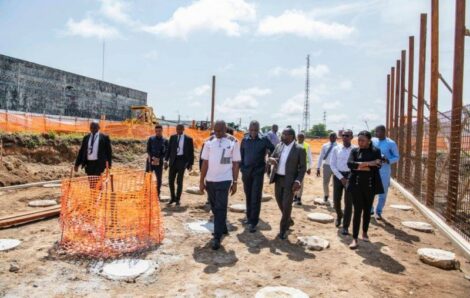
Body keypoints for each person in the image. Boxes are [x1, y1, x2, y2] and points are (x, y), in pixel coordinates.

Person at [199, 120, 241, 250]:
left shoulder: (233, 142)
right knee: (214, 207)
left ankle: (216, 237)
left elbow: (235, 164)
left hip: (225, 179)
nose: (217, 133)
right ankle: (222, 228)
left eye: (220, 131)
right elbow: (205, 162)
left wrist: (235, 182)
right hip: (210, 180)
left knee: (221, 207)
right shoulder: (209, 142)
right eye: (215, 130)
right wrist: (201, 181)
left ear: (225, 129)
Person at [347, 130, 384, 249]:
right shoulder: (354, 151)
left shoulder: (375, 151)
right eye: (359, 140)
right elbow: (350, 164)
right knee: (357, 211)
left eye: (363, 140)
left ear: (369, 141)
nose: (360, 142)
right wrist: (369, 164)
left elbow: (378, 165)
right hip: (356, 185)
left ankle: (365, 232)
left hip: (370, 185)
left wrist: (360, 165)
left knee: (367, 210)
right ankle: (355, 238)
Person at [268, 128, 306, 240]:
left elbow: (303, 168)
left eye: (284, 134)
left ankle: (283, 230)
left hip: (290, 182)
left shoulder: (299, 149)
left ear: (291, 136)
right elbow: (271, 157)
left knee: (287, 205)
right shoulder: (279, 146)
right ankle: (289, 220)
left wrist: (298, 181)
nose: (282, 136)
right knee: (280, 202)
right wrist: (271, 160)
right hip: (278, 179)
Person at [240, 120, 275, 233]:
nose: (253, 132)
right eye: (251, 130)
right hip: (246, 171)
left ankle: (253, 222)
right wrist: (242, 168)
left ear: (259, 130)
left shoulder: (264, 140)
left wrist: (269, 161)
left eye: (255, 130)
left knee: (256, 196)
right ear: (249, 129)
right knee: (248, 194)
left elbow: (274, 150)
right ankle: (249, 217)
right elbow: (241, 155)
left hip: (258, 172)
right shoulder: (245, 140)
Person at [329, 129, 355, 235]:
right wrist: (341, 178)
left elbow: (356, 165)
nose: (345, 137)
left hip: (350, 176)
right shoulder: (336, 148)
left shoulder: (355, 150)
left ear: (351, 137)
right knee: (336, 201)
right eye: (343, 135)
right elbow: (332, 164)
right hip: (338, 176)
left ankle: (345, 226)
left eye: (347, 135)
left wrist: (348, 178)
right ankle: (339, 215)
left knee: (348, 203)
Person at [371, 125, 399, 220]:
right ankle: (370, 209)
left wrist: (387, 160)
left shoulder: (391, 143)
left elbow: (397, 157)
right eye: (375, 132)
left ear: (383, 132)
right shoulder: (373, 141)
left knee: (382, 192)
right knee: (370, 190)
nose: (375, 133)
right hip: (372, 169)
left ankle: (378, 211)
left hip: (384, 171)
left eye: (377, 131)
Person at [164, 124, 194, 206]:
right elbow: (169, 149)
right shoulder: (172, 137)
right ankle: (172, 198)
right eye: (177, 129)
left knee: (179, 181)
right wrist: (166, 160)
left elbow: (191, 152)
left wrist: (191, 164)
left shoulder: (188, 139)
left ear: (183, 129)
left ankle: (178, 199)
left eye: (180, 129)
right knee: (170, 181)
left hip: (182, 161)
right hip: (173, 161)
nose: (178, 131)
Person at [146, 124, 168, 200]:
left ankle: (157, 194)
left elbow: (166, 152)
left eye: (159, 131)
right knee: (147, 178)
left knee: (159, 179)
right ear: (155, 131)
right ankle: (147, 193)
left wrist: (159, 158)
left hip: (159, 162)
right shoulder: (151, 139)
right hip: (150, 161)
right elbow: (148, 149)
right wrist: (151, 157)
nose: (158, 132)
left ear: (162, 131)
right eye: (156, 131)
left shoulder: (165, 140)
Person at [316, 132, 337, 204]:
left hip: (336, 167)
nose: (332, 138)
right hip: (327, 166)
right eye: (331, 136)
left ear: (336, 137)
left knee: (336, 184)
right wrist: (318, 167)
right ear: (329, 137)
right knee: (325, 182)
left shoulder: (339, 146)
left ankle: (335, 199)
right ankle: (326, 195)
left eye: (334, 136)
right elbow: (321, 156)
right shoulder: (325, 146)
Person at [293, 132, 312, 206]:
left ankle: (299, 198)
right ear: (297, 137)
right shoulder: (293, 145)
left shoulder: (307, 145)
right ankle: (294, 196)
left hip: (302, 167)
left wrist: (309, 167)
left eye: (302, 137)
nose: (300, 138)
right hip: (294, 166)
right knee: (294, 181)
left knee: (301, 182)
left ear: (304, 138)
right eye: (299, 137)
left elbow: (309, 157)